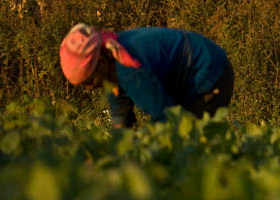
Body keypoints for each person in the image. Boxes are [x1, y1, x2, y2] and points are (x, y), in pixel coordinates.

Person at [59, 23, 234, 128]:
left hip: (210, 75)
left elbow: (167, 116)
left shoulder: (129, 69)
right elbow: (120, 106)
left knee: (194, 146)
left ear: (101, 63)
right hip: (201, 69)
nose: (89, 87)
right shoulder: (114, 55)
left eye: (89, 80)